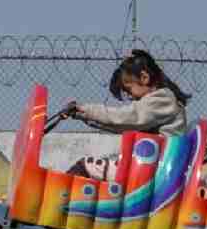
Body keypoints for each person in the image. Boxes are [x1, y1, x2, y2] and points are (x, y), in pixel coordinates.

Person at [63, 49, 191, 180]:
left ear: (144, 78)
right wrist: (83, 115)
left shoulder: (162, 100)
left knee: (85, 166)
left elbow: (124, 117)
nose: (130, 96)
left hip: (153, 171)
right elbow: (122, 125)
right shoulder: (160, 101)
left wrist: (87, 111)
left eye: (129, 89)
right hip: (152, 167)